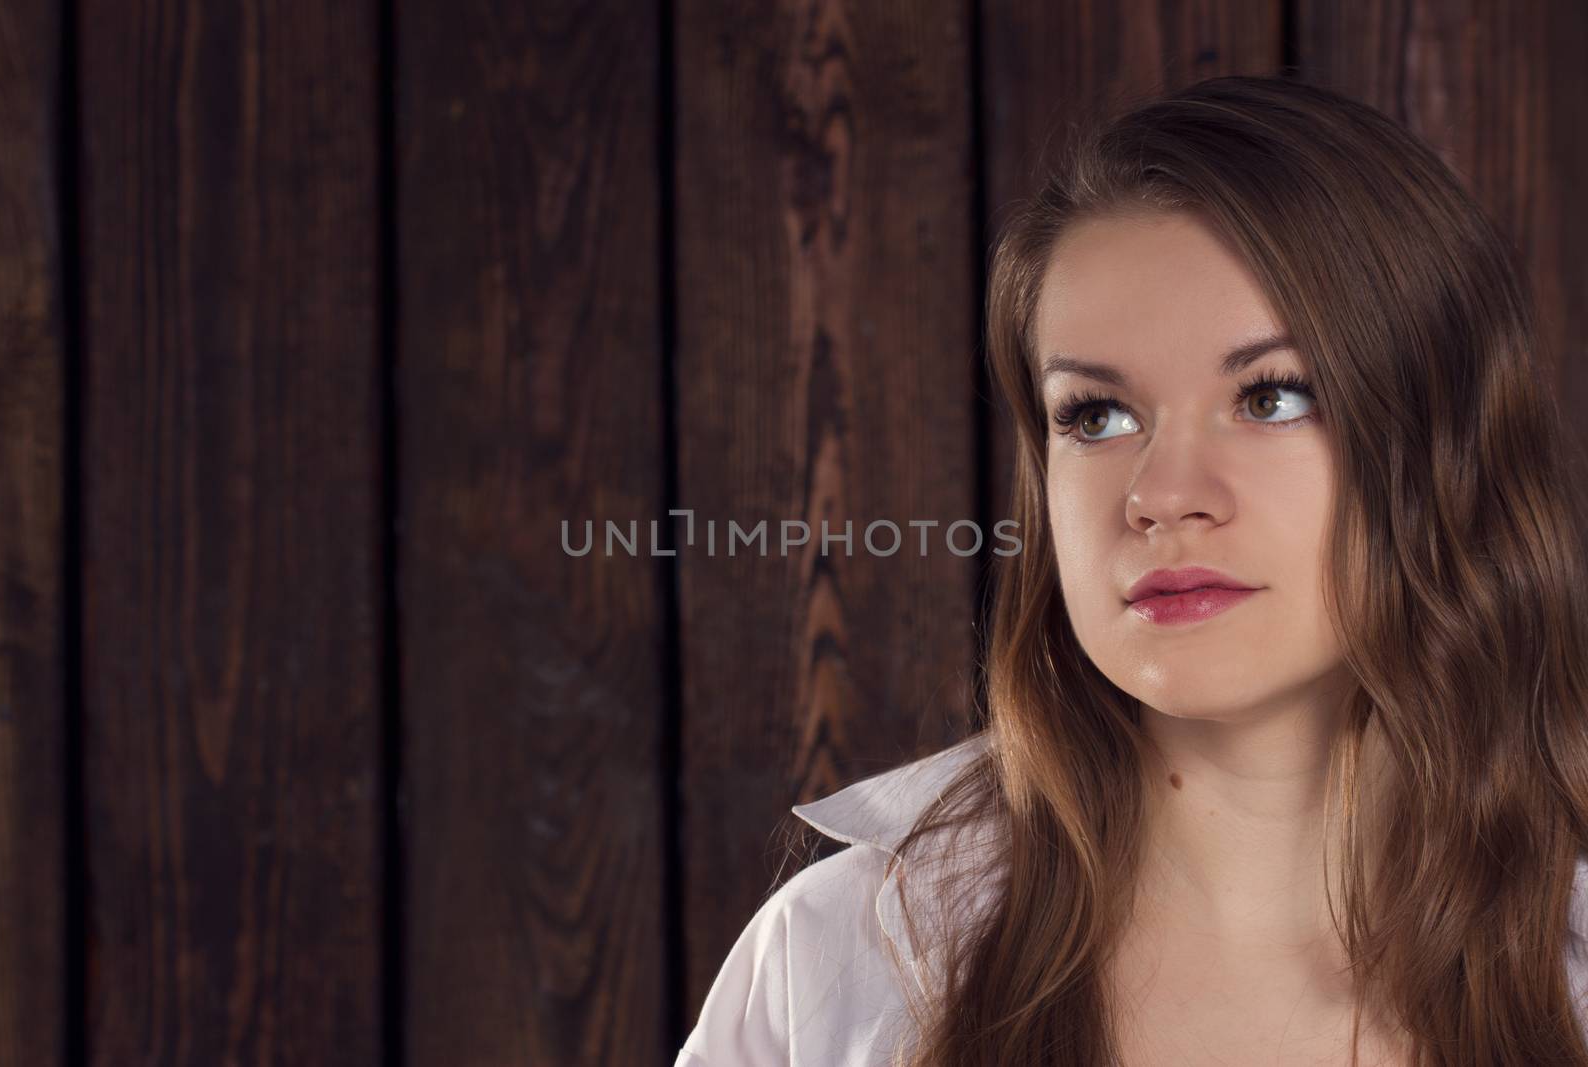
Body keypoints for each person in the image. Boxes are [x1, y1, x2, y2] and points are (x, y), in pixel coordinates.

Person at [676, 73, 1588, 1065]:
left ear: (1445, 440)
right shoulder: (840, 963)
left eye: (1271, 396)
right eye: (1095, 415)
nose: (1159, 492)